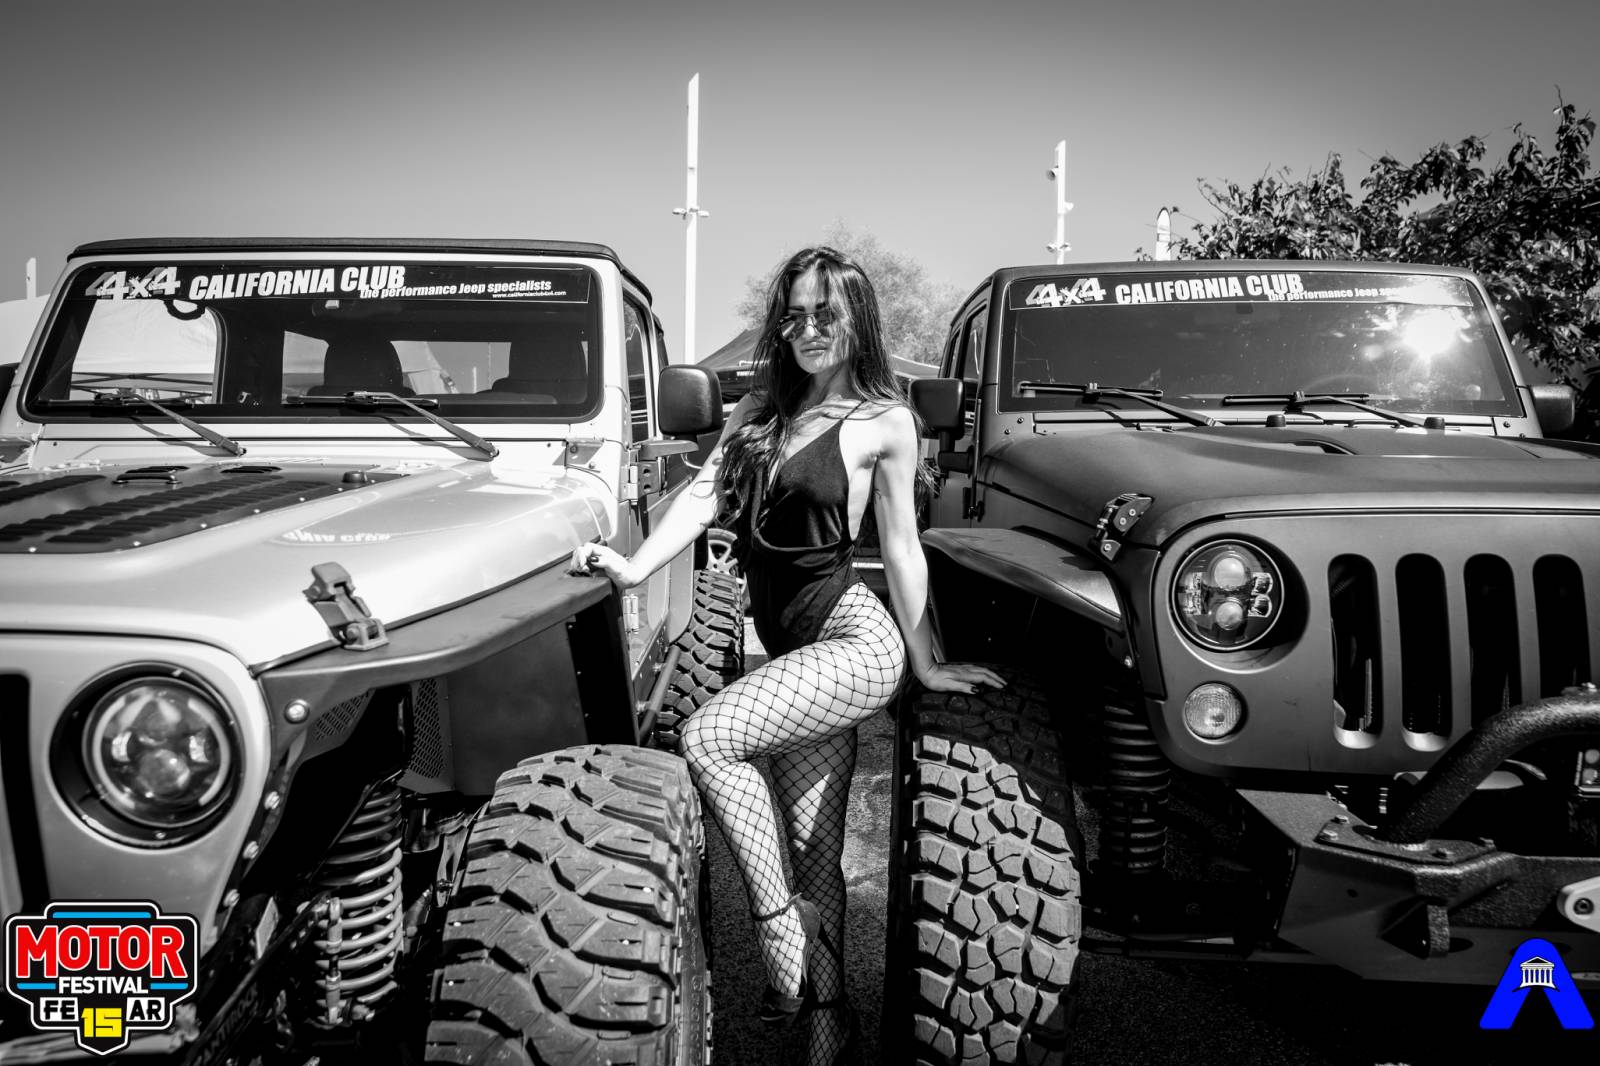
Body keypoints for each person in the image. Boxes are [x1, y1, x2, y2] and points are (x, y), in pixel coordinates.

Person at [570, 246, 1003, 1065]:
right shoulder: (763, 406)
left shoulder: (885, 422)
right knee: (813, 853)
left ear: (856, 320)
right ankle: (830, 1018)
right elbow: (702, 495)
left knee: (708, 738)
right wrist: (633, 566)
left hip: (854, 643)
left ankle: (779, 936)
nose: (807, 330)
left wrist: (927, 661)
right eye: (794, 315)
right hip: (794, 650)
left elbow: (902, 549)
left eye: (824, 315)